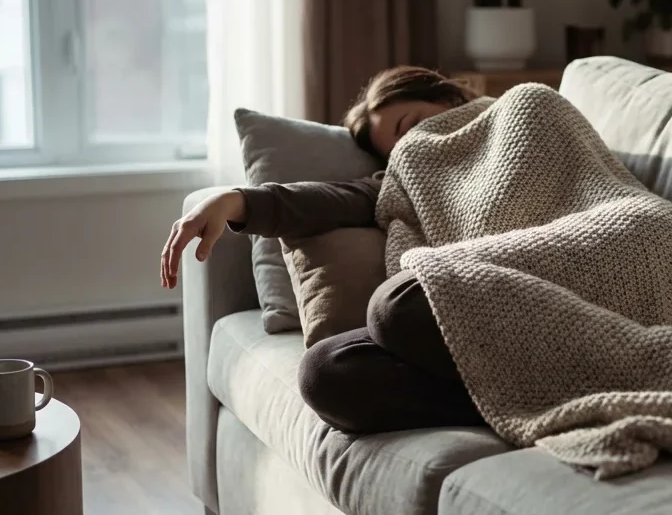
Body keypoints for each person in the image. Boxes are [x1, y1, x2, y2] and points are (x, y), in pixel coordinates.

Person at [160, 66, 485, 434]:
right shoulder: (406, 181)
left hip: (531, 277)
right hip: (467, 319)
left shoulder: (521, 110)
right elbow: (331, 199)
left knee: (395, 306)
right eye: (395, 151)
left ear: (446, 98)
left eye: (409, 125)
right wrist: (235, 202)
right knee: (325, 371)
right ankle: (503, 394)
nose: (409, 147)